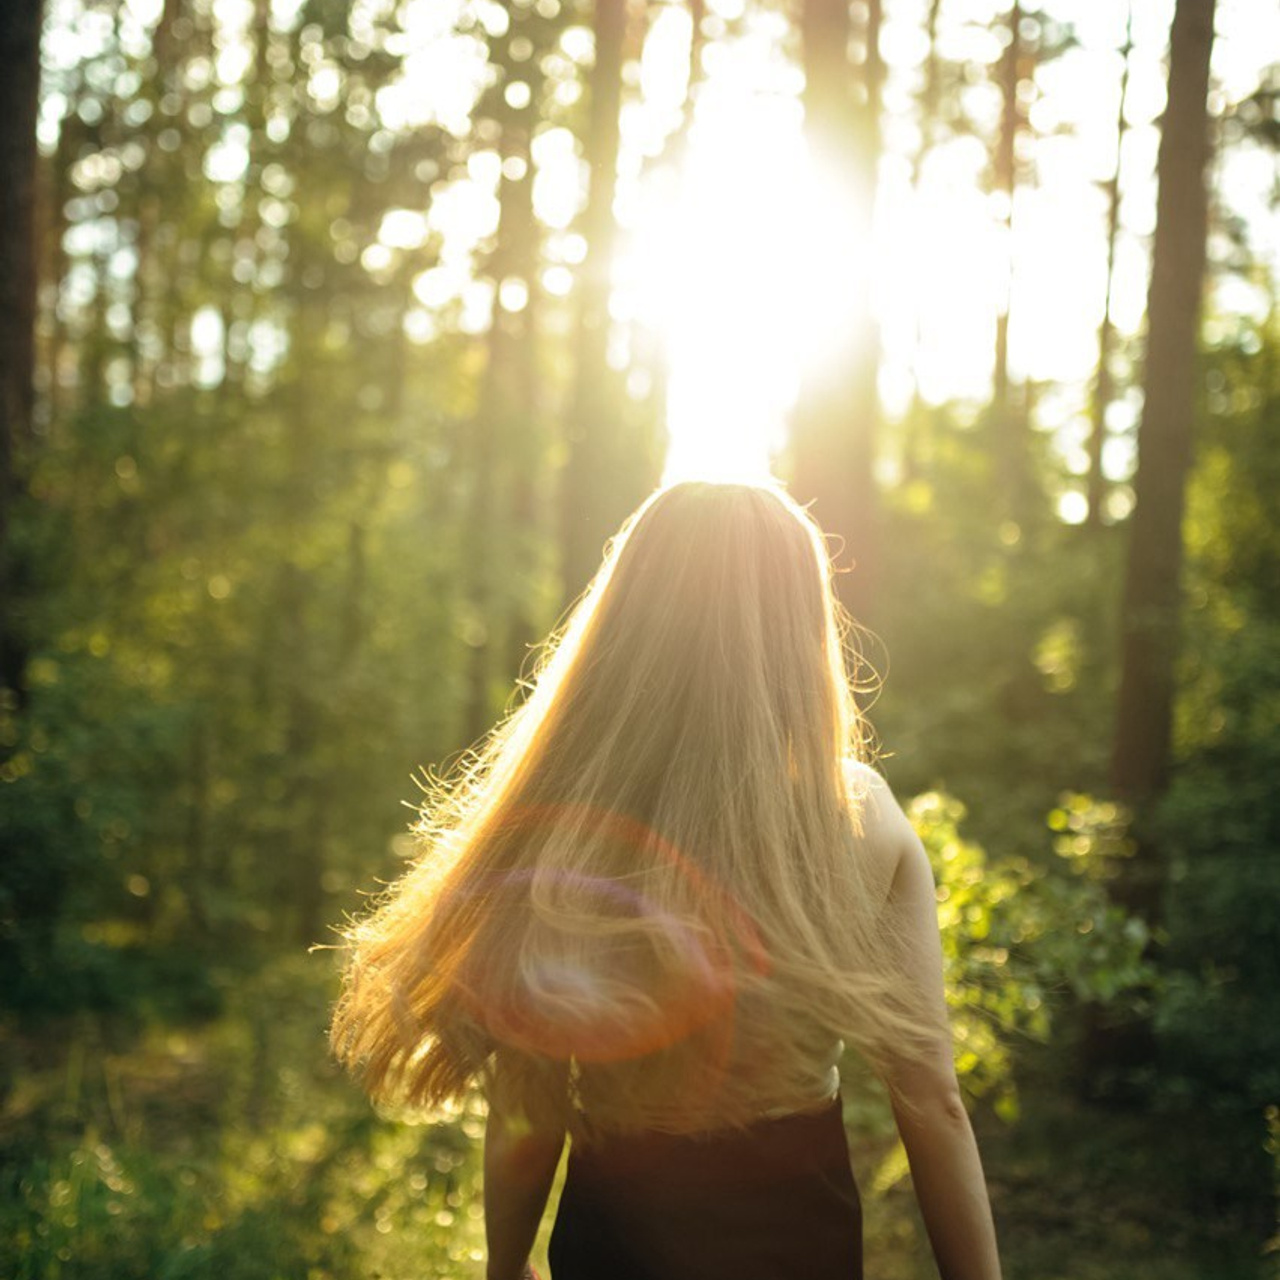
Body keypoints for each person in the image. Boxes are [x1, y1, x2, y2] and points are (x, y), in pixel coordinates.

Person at [329, 479, 1003, 1280]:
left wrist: (504, 1270)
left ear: (632, 620)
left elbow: (528, 1112)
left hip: (616, 1239)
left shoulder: (572, 827)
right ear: (799, 625)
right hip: (799, 1237)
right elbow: (932, 1102)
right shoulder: (862, 815)